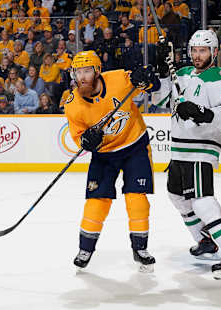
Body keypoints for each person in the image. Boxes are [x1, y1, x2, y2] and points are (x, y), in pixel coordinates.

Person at [155, 30, 221, 279]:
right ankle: (205, 239)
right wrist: (159, 75)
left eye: (203, 50)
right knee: (177, 196)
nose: (198, 55)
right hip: (179, 149)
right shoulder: (184, 74)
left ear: (214, 52)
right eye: (195, 50)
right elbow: (162, 98)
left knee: (202, 202)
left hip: (200, 149)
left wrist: (201, 111)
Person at [65, 50, 160, 272]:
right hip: (104, 154)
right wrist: (89, 141)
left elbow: (152, 86)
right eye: (78, 72)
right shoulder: (72, 105)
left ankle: (140, 248)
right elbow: (80, 139)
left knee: (136, 197)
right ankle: (85, 248)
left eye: (87, 71)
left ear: (98, 71)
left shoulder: (118, 79)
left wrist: (146, 78)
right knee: (97, 200)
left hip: (134, 145)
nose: (82, 77)